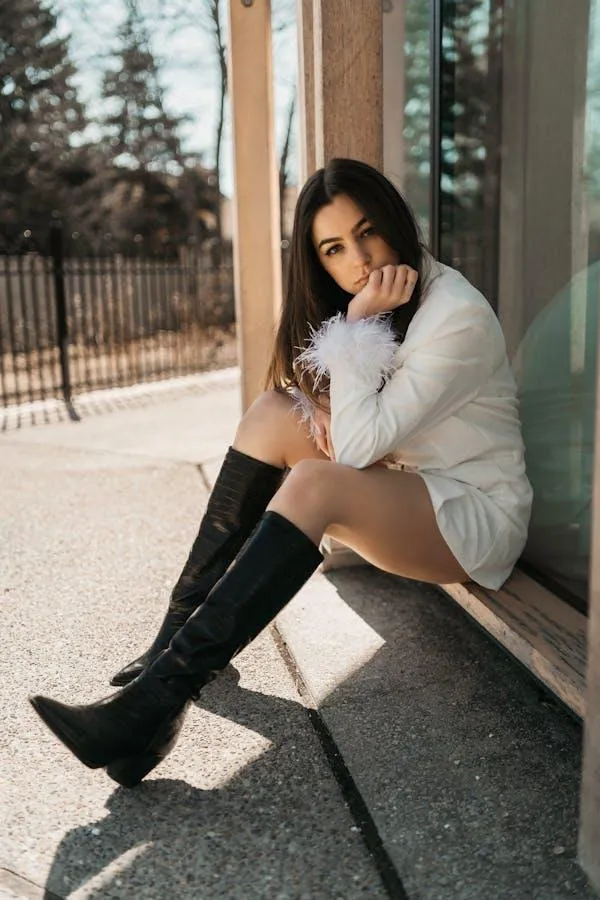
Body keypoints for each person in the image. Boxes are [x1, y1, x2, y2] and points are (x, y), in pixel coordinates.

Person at [30, 158, 533, 788]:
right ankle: (169, 649)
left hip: (471, 515)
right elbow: (355, 423)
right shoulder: (388, 302)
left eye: (369, 231)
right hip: (411, 485)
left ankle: (157, 702)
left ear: (399, 224)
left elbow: (352, 452)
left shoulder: (451, 313)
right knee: (274, 412)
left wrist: (352, 330)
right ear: (318, 261)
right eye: (334, 248)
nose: (361, 259)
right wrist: (322, 392)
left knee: (316, 482)